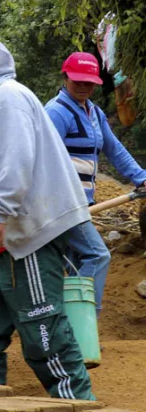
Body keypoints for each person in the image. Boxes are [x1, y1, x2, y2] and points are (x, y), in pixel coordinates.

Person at [0, 33, 95, 400]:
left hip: (32, 233)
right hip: (14, 234)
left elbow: (17, 162)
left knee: (41, 327)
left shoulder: (8, 99)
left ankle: (76, 403)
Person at [45, 52, 146, 316]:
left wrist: (140, 177)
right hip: (63, 203)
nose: (83, 87)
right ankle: (84, 322)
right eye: (77, 81)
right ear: (65, 77)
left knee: (77, 265)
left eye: (88, 83)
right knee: (97, 256)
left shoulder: (94, 113)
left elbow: (115, 149)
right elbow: (43, 158)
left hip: (82, 202)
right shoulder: (56, 112)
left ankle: (66, 331)